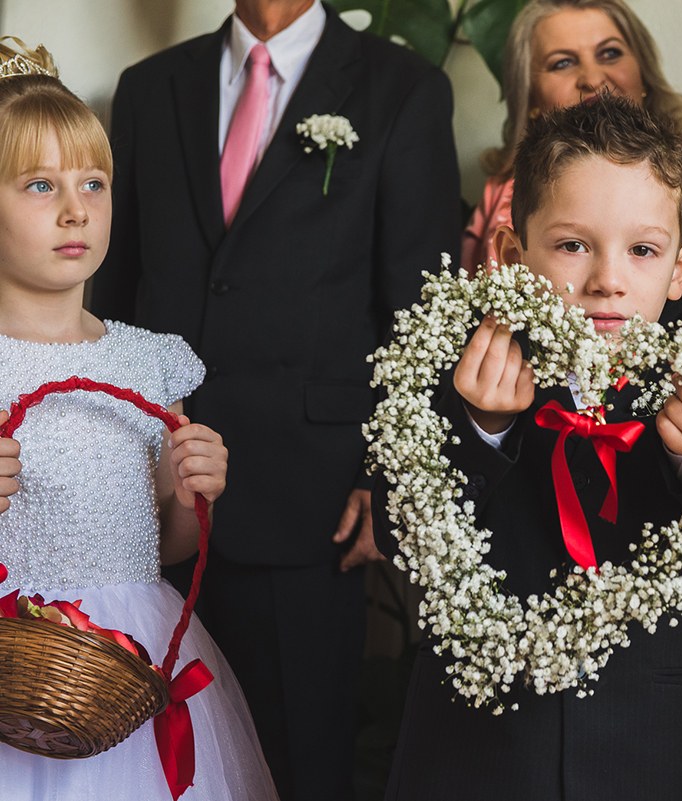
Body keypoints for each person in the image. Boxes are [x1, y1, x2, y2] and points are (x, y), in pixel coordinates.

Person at [372, 96, 682, 800]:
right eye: (573, 244)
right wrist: (482, 431)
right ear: (513, 255)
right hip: (481, 749)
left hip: (664, 742)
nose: (608, 279)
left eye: (643, 250)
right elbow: (401, 539)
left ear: (681, 266)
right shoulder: (447, 357)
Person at [87, 1, 462, 798]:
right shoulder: (150, 87)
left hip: (309, 495)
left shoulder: (404, 89)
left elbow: (418, 316)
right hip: (145, 492)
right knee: (143, 755)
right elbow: (110, 296)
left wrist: (389, 477)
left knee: (294, 762)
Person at [0, 39, 278, 801]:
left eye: (94, 181)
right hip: (14, 656)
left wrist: (197, 493)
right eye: (38, 184)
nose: (74, 207)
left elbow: (167, 542)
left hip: (127, 655)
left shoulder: (147, 362)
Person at [461, 0, 682, 294]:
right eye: (563, 62)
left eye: (610, 54)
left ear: (644, 72)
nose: (593, 79)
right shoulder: (501, 196)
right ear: (530, 97)